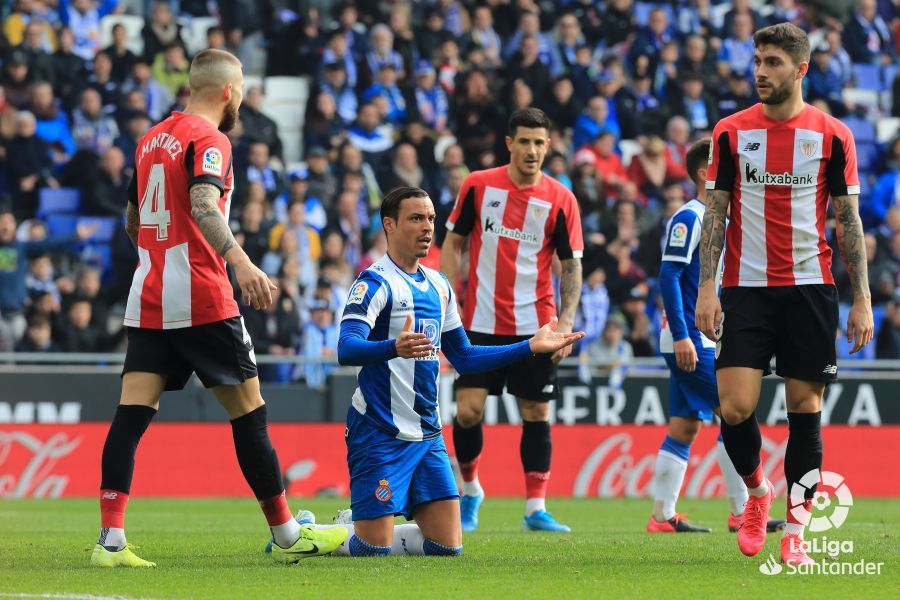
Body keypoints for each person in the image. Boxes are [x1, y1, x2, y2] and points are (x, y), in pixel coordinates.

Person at [91, 49, 346, 569]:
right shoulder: (211, 140)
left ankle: (110, 543)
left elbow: (133, 218)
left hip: (152, 295)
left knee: (130, 418)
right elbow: (205, 206)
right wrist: (241, 261)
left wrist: (158, 255)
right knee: (249, 414)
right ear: (228, 92)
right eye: (243, 88)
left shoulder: (148, 140)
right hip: (204, 297)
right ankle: (286, 534)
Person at [696, 24, 873, 566]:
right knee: (735, 406)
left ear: (800, 70)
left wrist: (861, 297)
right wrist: (707, 285)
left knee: (804, 408)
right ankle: (756, 493)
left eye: (772, 62)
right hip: (745, 287)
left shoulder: (832, 135)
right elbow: (717, 211)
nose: (759, 72)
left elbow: (848, 222)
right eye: (757, 61)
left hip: (809, 288)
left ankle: (797, 527)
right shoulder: (729, 132)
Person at [325, 186, 582, 557]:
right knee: (371, 548)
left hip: (428, 434)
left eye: (430, 218)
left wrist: (529, 347)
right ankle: (316, 528)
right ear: (390, 225)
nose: (427, 227)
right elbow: (346, 349)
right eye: (416, 218)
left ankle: (360, 524)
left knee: (447, 547)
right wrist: (392, 347)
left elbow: (463, 357)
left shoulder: (438, 285)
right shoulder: (374, 282)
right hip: (379, 430)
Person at [441, 108, 584, 532]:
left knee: (536, 412)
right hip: (480, 322)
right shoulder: (478, 186)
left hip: (537, 324)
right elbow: (453, 245)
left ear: (549, 145)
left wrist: (566, 321)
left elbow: (571, 266)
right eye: (524, 141)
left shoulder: (562, 199)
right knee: (467, 412)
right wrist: (451, 302)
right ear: (510, 143)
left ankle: (535, 509)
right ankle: (470, 492)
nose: (532, 150)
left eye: (540, 142)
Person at [649, 139, 785, 534]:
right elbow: (668, 276)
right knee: (734, 412)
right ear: (706, 173)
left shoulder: (720, 219)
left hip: (699, 338)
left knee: (685, 426)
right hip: (690, 339)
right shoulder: (690, 217)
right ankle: (742, 509)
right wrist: (681, 335)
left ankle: (662, 515)